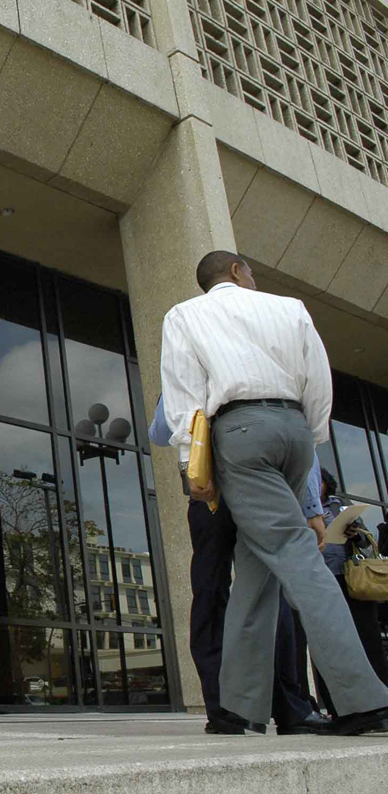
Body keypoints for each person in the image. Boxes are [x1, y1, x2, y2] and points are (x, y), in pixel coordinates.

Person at [159, 250, 388, 736]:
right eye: (251, 271)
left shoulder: (184, 315)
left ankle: (363, 701)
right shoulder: (290, 308)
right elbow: (319, 379)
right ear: (237, 271)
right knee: (257, 568)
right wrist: (311, 436)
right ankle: (239, 706)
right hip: (295, 430)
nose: (254, 277)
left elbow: (184, 394)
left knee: (294, 555)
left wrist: (190, 464)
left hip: (241, 431)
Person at [150, 395, 326, 734]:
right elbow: (300, 434)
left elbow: (159, 431)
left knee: (214, 591)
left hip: (212, 489)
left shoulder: (185, 371)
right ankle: (288, 708)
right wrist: (310, 506)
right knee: (266, 589)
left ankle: (226, 709)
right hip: (258, 486)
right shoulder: (263, 374)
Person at [311, 468, 388, 714]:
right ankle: (336, 707)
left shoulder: (339, 506)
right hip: (322, 581)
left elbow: (367, 542)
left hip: (351, 579)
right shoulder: (302, 509)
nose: (315, 486)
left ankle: (381, 700)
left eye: (319, 482)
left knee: (368, 638)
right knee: (330, 643)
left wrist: (355, 535)